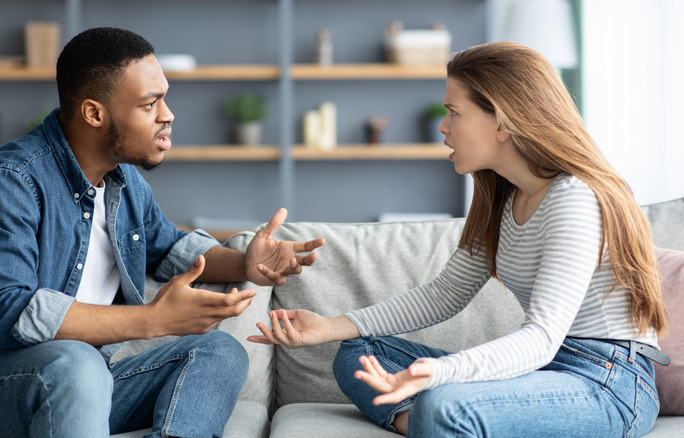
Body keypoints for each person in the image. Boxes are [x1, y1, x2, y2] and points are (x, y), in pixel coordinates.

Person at [0, 27, 324, 438]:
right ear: (94, 113)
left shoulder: (123, 182)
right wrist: (151, 320)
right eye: (149, 103)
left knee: (218, 351)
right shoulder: (11, 180)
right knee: (75, 363)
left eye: (165, 98)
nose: (168, 114)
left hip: (82, 380)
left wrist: (245, 260)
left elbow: (169, 248)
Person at [249, 42, 668, 437]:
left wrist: (439, 374)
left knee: (444, 404)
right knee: (358, 354)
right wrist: (330, 326)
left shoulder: (573, 198)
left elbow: (542, 339)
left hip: (607, 383)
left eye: (454, 112)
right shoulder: (502, 199)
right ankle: (443, 423)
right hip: (544, 374)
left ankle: (439, 420)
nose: (442, 126)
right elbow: (443, 295)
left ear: (502, 120)